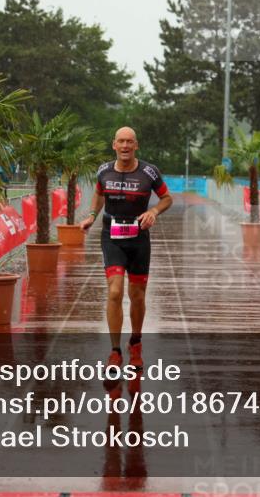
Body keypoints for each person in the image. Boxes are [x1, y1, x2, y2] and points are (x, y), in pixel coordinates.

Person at [81, 126, 172, 369]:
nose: (125, 146)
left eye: (129, 142)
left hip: (139, 238)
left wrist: (153, 211)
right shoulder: (104, 171)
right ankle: (114, 351)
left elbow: (167, 198)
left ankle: (136, 343)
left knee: (137, 295)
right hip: (112, 236)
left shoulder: (149, 172)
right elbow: (99, 194)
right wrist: (92, 215)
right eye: (121, 141)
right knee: (114, 291)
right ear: (114, 145)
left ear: (136, 145)